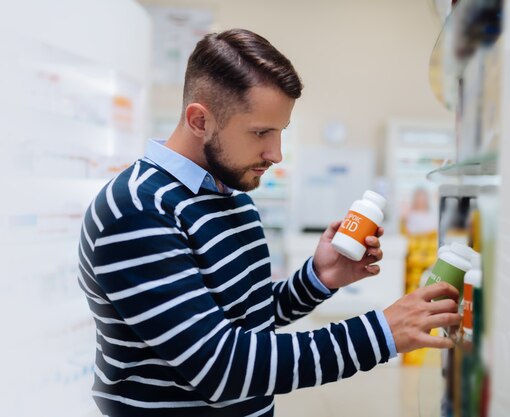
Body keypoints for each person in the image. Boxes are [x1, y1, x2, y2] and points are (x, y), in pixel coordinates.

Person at [78, 28, 461, 417]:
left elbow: (249, 317)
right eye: (260, 132)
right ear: (199, 120)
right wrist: (382, 333)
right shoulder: (137, 209)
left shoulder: (232, 197)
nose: (275, 153)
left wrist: (318, 278)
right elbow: (220, 366)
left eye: (280, 132)